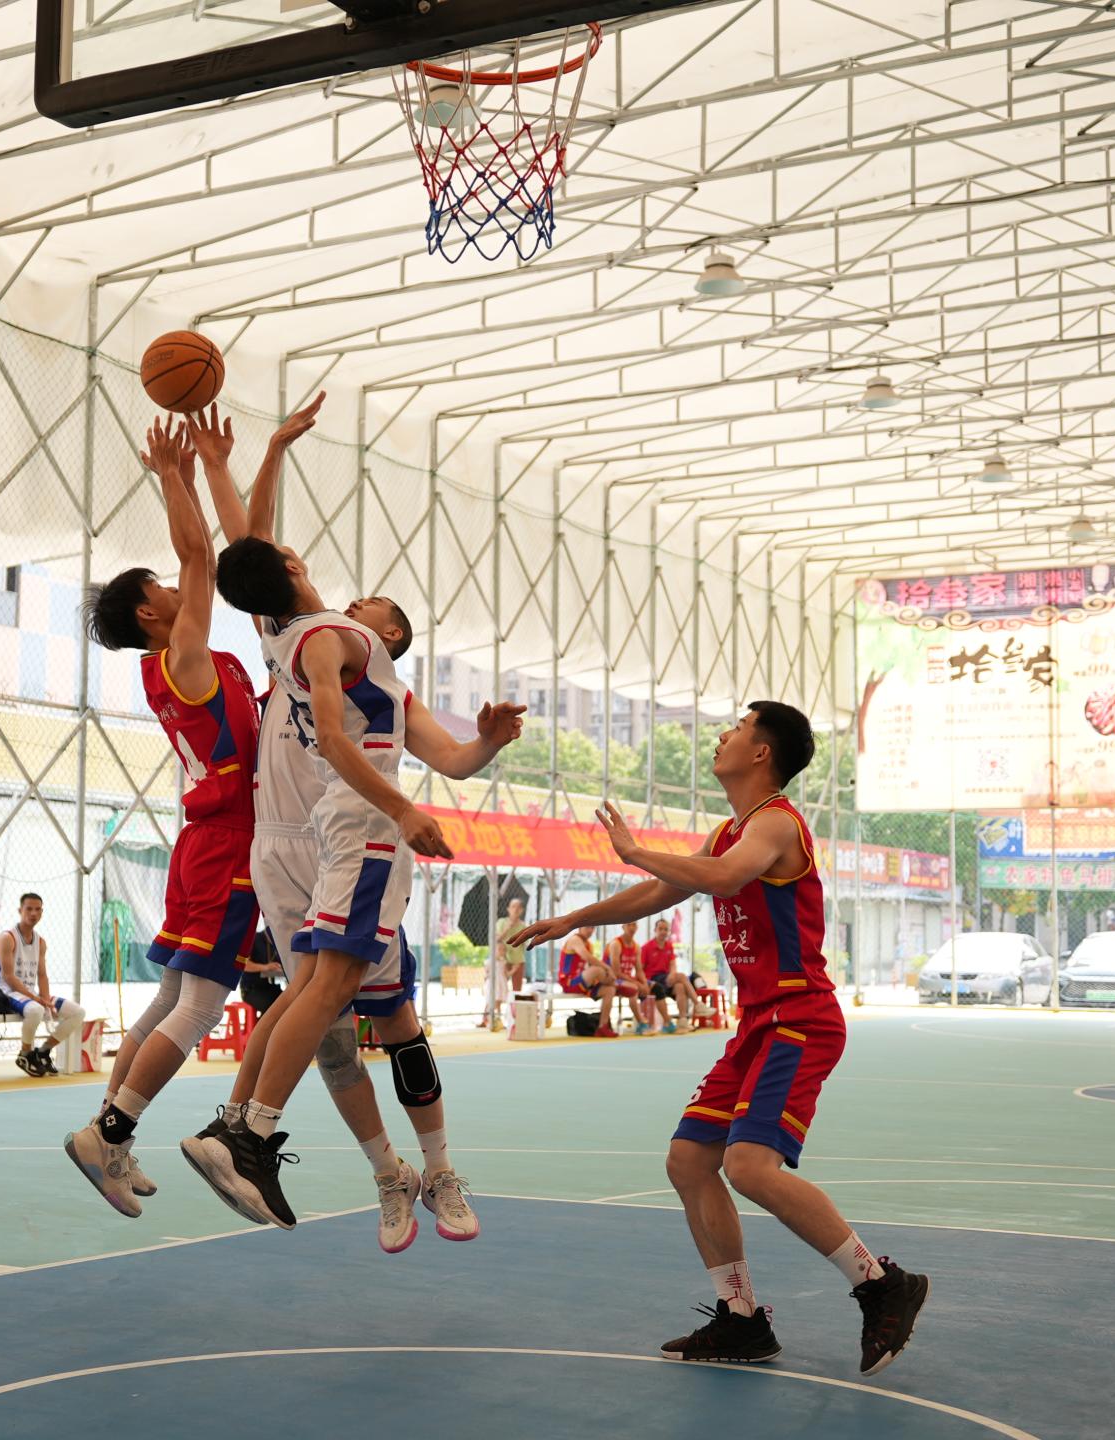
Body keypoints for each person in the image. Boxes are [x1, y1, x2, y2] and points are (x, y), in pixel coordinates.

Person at [179, 395, 520, 1248]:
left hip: (342, 831)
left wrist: (487, 739)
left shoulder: (352, 661)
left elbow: (455, 760)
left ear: (390, 632)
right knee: (323, 1005)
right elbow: (252, 546)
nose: (351, 595)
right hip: (334, 829)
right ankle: (266, 1135)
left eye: (370, 599)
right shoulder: (314, 635)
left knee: (371, 1009)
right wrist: (245, 460)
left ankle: (424, 1167)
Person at [511, 704, 930, 1377]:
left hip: (799, 1018)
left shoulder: (775, 824)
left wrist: (635, 848)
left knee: (749, 1167)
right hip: (759, 1022)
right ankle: (740, 1318)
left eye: (736, 727)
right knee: (688, 1161)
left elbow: (725, 877)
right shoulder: (730, 831)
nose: (722, 736)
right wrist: (575, 918)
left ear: (762, 752)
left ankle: (881, 1284)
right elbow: (662, 890)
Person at [64, 418, 261, 1217]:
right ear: (151, 614)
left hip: (202, 843)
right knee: (200, 1007)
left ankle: (109, 1140)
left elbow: (196, 565)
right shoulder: (183, 658)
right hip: (226, 846)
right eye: (167, 592)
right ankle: (109, 1133)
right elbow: (199, 557)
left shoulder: (183, 665)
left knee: (168, 1000)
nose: (183, 593)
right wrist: (175, 475)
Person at [0, 893, 84, 1077]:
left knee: (77, 1012)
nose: (33, 913)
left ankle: (43, 1051)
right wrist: (37, 999)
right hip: (6, 992)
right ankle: (25, 1054)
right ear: (20, 910)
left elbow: (42, 975)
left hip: (29, 993)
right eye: (29, 909)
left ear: (42, 912)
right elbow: (9, 977)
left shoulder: (40, 942)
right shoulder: (7, 938)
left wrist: (46, 999)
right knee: (35, 1009)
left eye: (37, 909)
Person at [558, 923, 622, 1037]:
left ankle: (603, 1027)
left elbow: (588, 965)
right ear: (579, 928)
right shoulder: (575, 939)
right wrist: (607, 968)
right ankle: (617, 983)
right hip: (569, 982)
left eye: (593, 928)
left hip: (583, 983)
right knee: (597, 970)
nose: (590, 930)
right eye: (587, 927)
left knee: (610, 990)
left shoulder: (589, 944)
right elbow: (587, 957)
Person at [640, 918, 705, 1030]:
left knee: (680, 986)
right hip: (653, 979)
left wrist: (672, 974)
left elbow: (673, 964)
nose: (663, 932)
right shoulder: (646, 947)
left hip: (666, 979)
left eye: (666, 929)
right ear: (655, 930)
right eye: (660, 929)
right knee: (682, 976)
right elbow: (640, 969)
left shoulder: (669, 946)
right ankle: (697, 1004)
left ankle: (683, 1020)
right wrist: (644, 983)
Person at [488, 897, 528, 1030]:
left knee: (516, 991)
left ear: (521, 910)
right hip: (502, 960)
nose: (515, 910)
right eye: (513, 907)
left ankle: (515, 1019)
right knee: (497, 989)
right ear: (508, 909)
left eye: (518, 907)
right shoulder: (501, 922)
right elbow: (497, 939)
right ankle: (489, 1018)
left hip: (517, 960)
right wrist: (508, 928)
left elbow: (525, 944)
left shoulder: (523, 926)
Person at [238, 932, 284, 1020]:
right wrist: (265, 967)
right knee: (273, 1006)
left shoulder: (277, 943)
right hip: (251, 990)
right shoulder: (254, 939)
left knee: (290, 1002)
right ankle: (262, 1028)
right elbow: (243, 964)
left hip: (270, 988)